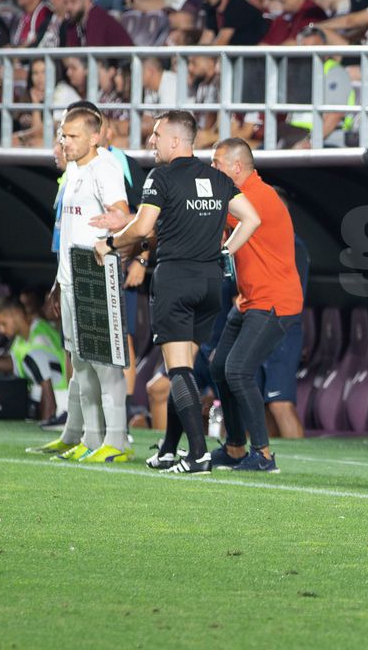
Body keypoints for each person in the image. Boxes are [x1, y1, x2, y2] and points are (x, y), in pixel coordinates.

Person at [97, 110, 261, 474]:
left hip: (175, 281)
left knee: (179, 371)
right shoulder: (217, 179)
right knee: (182, 366)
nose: (150, 141)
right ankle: (169, 448)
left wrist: (110, 243)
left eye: (156, 135)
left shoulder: (161, 177)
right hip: (209, 285)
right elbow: (252, 219)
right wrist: (225, 251)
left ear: (175, 140)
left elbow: (141, 228)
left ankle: (198, 453)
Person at [206, 139, 303, 473]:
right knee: (219, 367)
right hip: (251, 300)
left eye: (216, 163)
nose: (212, 169)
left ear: (236, 167)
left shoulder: (255, 196)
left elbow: (222, 224)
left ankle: (262, 455)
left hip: (274, 301)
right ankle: (235, 448)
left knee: (237, 370)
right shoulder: (242, 194)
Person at [49, 105, 135, 462]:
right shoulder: (73, 169)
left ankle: (117, 441)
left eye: (72, 136)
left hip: (95, 273)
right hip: (70, 277)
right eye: (63, 136)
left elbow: (123, 214)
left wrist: (117, 222)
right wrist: (57, 281)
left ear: (95, 136)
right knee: (81, 361)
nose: (65, 142)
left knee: (105, 362)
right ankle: (90, 436)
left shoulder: (106, 168)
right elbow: (69, 229)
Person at [0, 296, 67, 423]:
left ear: (16, 314)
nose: (1, 330)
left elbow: (44, 379)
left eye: (3, 323)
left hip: (60, 397)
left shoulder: (40, 336)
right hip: (40, 398)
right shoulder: (19, 340)